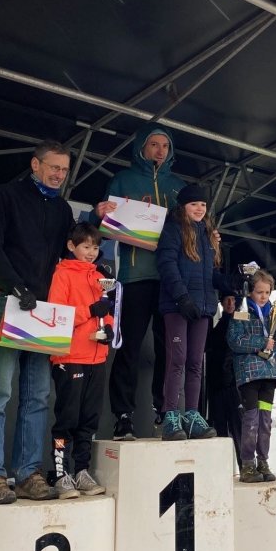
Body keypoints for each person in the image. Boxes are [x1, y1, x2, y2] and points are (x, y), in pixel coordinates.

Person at [0, 140, 74, 504]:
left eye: (64, 169)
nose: (59, 174)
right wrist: (14, 285)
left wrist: (99, 221)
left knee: (37, 396)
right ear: (35, 164)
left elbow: (71, 254)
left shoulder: (63, 209)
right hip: (8, 303)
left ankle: (29, 472)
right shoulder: (6, 196)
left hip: (46, 314)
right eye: (53, 167)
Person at [93, 124, 185, 440]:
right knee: (129, 347)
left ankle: (166, 411)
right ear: (141, 148)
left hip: (171, 281)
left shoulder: (179, 187)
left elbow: (192, 230)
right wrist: (98, 215)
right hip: (134, 277)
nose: (160, 151)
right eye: (154, 145)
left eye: (165, 146)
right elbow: (101, 230)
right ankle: (123, 416)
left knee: (169, 349)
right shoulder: (123, 180)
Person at [155, 184, 228, 441]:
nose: (199, 209)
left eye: (203, 205)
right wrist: (182, 297)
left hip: (204, 308)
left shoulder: (209, 235)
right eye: (194, 204)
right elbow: (166, 264)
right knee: (178, 359)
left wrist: (227, 283)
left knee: (197, 362)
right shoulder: (173, 229)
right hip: (178, 306)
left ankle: (192, 415)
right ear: (183, 206)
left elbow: (210, 274)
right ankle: (170, 416)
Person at [46, 223, 112, 499]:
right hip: (69, 355)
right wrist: (90, 310)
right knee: (67, 418)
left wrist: (108, 326)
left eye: (95, 247)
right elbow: (57, 316)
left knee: (89, 419)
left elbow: (106, 310)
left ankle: (82, 471)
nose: (91, 252)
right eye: (86, 246)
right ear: (72, 246)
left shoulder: (100, 277)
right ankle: (61, 474)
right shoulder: (62, 274)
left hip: (97, 356)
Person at [227, 270, 276, 482]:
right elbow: (234, 340)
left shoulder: (274, 314)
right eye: (259, 292)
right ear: (250, 291)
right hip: (249, 375)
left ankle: (263, 461)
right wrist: (261, 343)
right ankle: (248, 464)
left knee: (265, 420)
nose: (263, 296)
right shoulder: (242, 311)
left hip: (270, 375)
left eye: (267, 292)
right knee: (250, 419)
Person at [205, 291, 244, 465]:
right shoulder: (216, 328)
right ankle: (223, 471)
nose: (230, 303)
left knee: (239, 429)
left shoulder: (243, 320)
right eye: (227, 300)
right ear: (221, 302)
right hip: (217, 385)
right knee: (220, 432)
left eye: (233, 300)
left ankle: (246, 468)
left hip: (235, 385)